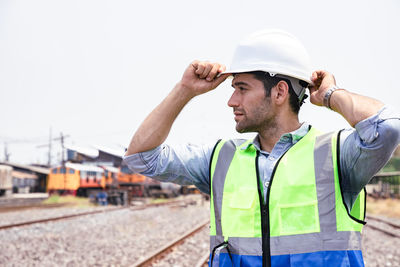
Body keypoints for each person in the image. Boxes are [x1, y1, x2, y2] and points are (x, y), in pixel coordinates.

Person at [123, 29, 400, 266]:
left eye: (242, 88)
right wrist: (184, 89)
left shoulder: (337, 155)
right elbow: (141, 157)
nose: (231, 100)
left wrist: (330, 95)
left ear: (280, 92)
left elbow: (387, 126)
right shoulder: (221, 159)